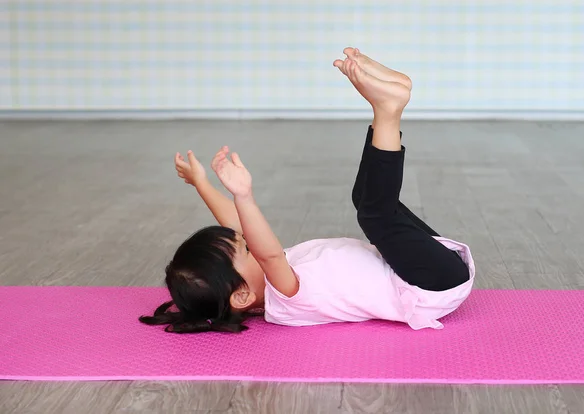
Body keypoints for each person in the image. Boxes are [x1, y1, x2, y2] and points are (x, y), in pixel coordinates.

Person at [139, 47, 475, 334]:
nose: (251, 245)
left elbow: (238, 228)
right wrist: (244, 195)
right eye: (245, 252)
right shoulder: (285, 297)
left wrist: (202, 184)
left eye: (244, 244)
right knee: (376, 213)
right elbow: (267, 251)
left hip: (425, 268)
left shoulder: (266, 278)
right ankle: (388, 111)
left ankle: (395, 94)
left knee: (366, 200)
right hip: (430, 285)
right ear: (241, 296)